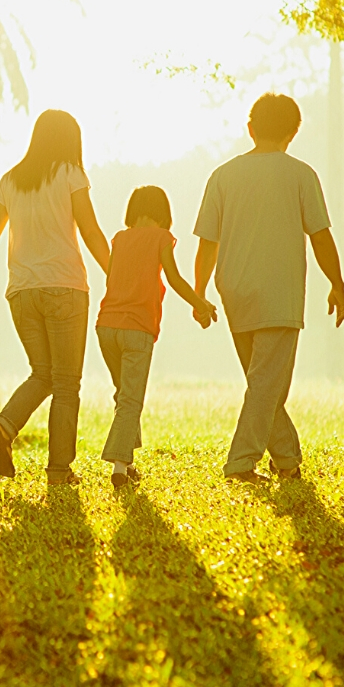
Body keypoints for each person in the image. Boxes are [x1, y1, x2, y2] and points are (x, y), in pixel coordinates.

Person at [0, 110, 110, 484]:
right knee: (65, 383)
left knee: (43, 374)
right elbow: (91, 230)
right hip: (64, 287)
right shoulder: (71, 174)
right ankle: (60, 471)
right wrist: (118, 274)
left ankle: (2, 427)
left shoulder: (10, 180)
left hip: (21, 293)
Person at [193, 93, 344, 484]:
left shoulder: (222, 176)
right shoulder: (300, 174)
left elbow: (206, 242)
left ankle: (287, 461)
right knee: (267, 383)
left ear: (251, 129)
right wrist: (337, 282)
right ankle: (241, 464)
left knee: (262, 383)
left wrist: (199, 293)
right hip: (279, 291)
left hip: (234, 290)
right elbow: (320, 236)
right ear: (294, 133)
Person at [96, 185, 218, 488]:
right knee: (131, 400)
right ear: (164, 213)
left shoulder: (120, 239)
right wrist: (200, 303)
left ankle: (127, 462)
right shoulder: (161, 238)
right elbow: (174, 278)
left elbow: (114, 277)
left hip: (106, 327)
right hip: (137, 328)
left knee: (124, 393)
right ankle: (119, 468)